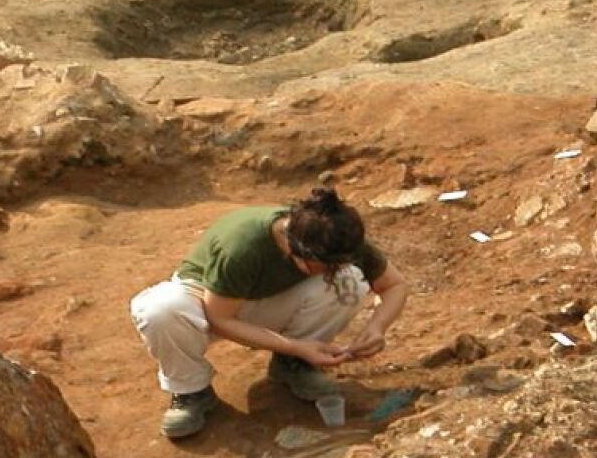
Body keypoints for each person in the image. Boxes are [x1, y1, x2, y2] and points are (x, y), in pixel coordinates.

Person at [130, 187, 409, 439]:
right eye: (323, 267)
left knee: (350, 281)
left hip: (265, 303)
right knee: (161, 310)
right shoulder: (243, 245)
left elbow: (394, 285)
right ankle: (191, 391)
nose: (331, 270)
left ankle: (292, 365)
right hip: (205, 304)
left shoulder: (335, 236)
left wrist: (377, 327)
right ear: (292, 248)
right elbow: (220, 318)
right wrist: (298, 345)